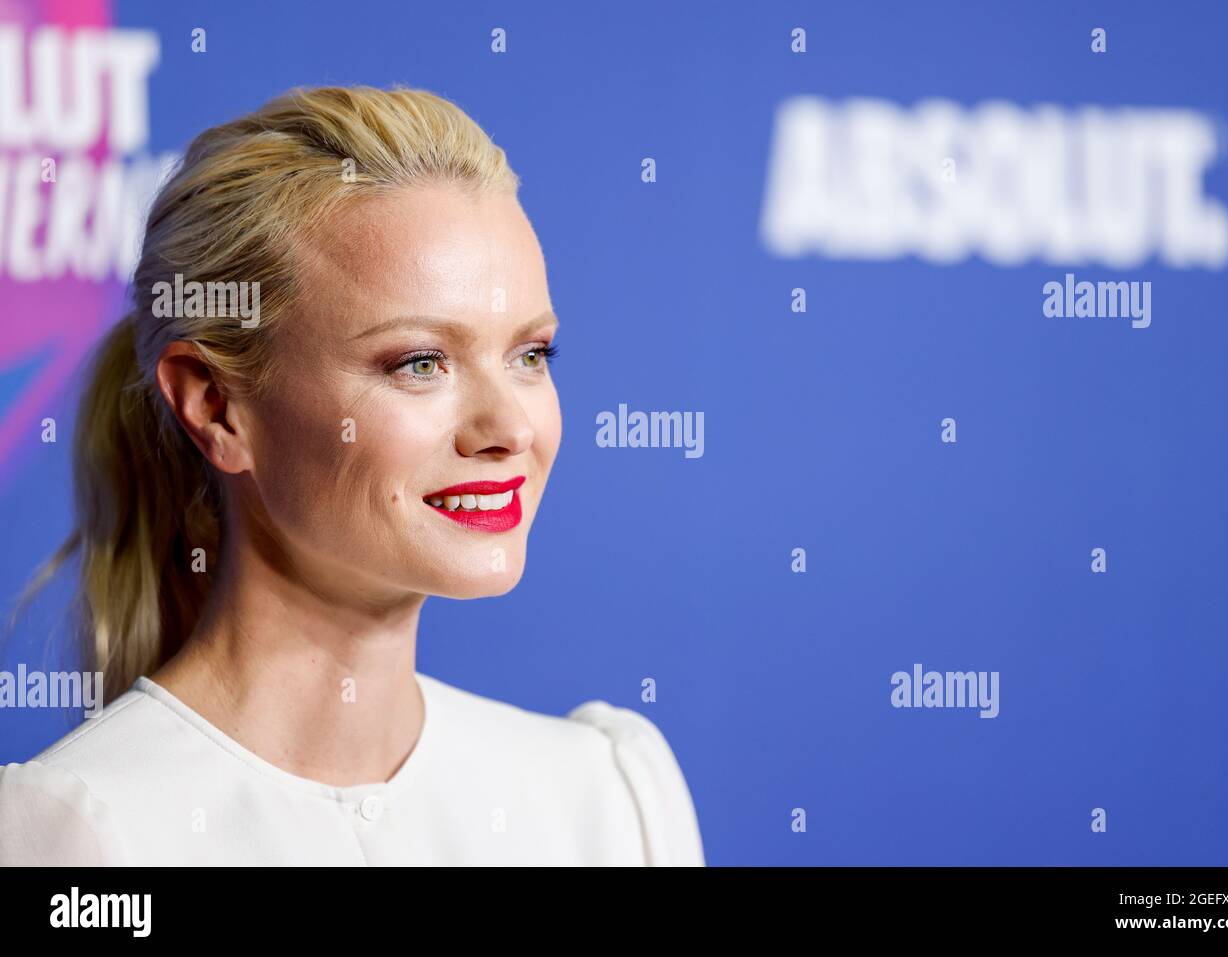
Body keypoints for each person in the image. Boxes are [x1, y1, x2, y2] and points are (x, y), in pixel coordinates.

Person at [0, 85, 705, 866]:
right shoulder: (79, 832)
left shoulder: (606, 800)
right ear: (216, 405)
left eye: (530, 356)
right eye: (420, 363)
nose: (509, 429)